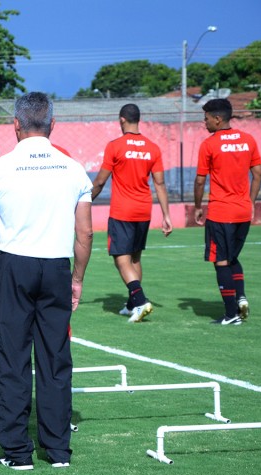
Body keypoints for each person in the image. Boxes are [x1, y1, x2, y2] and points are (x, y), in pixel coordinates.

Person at [0, 92, 92, 470]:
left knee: (11, 358)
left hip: (14, 267)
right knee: (55, 359)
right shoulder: (73, 169)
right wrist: (77, 278)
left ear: (16, 125)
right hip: (56, 266)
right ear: (52, 125)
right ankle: (58, 452)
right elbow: (84, 235)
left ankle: (17, 453)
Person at [90, 104, 172, 322]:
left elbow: (100, 180)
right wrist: (166, 215)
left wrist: (85, 201)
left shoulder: (115, 146)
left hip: (122, 210)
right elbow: (160, 183)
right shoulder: (152, 148)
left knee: (121, 259)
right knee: (135, 258)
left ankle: (141, 300)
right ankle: (132, 304)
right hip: (144, 210)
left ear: (122, 119)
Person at [194, 98, 261, 325]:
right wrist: (250, 202)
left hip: (220, 212)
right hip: (243, 212)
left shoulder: (209, 144)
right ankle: (240, 297)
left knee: (221, 261)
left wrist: (197, 207)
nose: (204, 123)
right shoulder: (248, 140)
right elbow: (258, 174)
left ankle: (231, 313)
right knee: (233, 258)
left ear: (217, 118)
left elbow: (200, 180)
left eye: (206, 119)